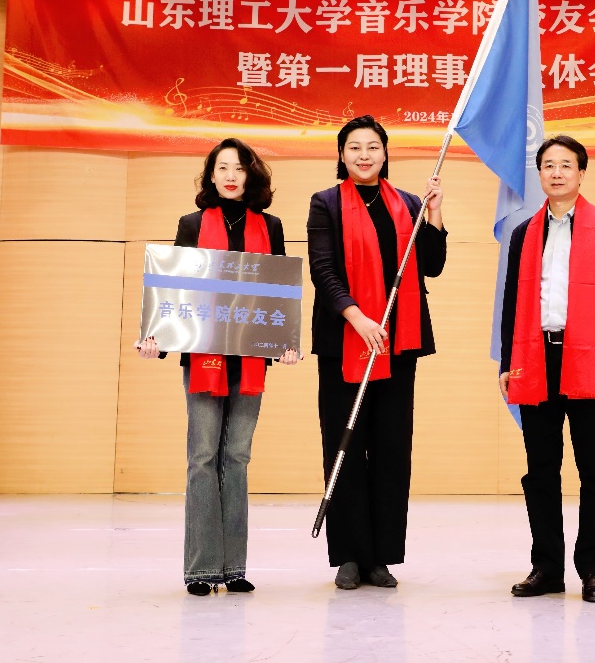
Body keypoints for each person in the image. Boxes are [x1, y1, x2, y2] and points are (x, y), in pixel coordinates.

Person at [135, 138, 299, 597]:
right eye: (222, 167)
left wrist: (285, 343)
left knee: (237, 458)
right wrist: (156, 340)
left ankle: (234, 567)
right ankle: (202, 569)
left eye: (239, 168)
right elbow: (174, 292)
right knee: (203, 457)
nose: (230, 175)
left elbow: (279, 294)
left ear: (251, 175)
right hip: (203, 357)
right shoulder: (192, 224)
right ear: (211, 175)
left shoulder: (271, 226)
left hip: (249, 358)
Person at [307, 115, 447, 590]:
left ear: (385, 153)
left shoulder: (408, 203)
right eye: (354, 147)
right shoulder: (326, 203)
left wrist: (435, 214)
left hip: (398, 341)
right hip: (346, 339)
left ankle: (380, 557)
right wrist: (357, 318)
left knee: (390, 448)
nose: (364, 155)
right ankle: (349, 556)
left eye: (372, 147)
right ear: (341, 155)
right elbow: (323, 269)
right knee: (344, 445)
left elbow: (431, 265)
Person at [499, 134, 595, 604]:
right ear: (539, 174)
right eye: (548, 165)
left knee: (593, 469)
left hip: (587, 358)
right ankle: (546, 568)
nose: (556, 173)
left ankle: (594, 570)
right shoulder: (524, 233)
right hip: (535, 358)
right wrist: (508, 360)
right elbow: (512, 301)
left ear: (581, 172)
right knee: (540, 470)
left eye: (566, 165)